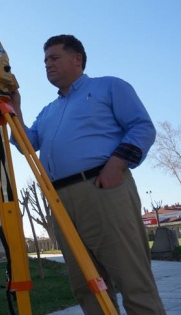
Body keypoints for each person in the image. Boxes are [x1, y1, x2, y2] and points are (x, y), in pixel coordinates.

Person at [10, 35, 165, 314]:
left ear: (77, 59)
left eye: (54, 58)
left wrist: (115, 166)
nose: (47, 65)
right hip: (60, 201)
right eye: (45, 60)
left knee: (132, 278)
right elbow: (27, 144)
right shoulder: (48, 111)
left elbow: (142, 127)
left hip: (101, 188)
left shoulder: (109, 87)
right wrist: (15, 107)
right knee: (86, 284)